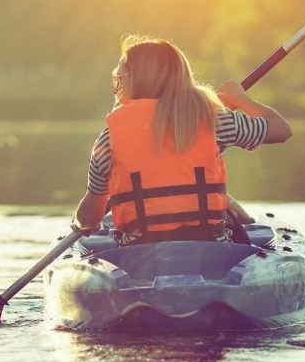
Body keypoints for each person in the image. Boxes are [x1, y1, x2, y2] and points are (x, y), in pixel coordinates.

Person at [72, 35, 293, 244]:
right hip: (211, 251)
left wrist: (79, 223)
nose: (116, 88)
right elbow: (281, 129)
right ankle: (244, 218)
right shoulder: (215, 121)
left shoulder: (108, 140)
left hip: (138, 255)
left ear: (138, 82)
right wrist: (241, 99)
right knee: (228, 210)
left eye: (119, 79)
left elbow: (88, 219)